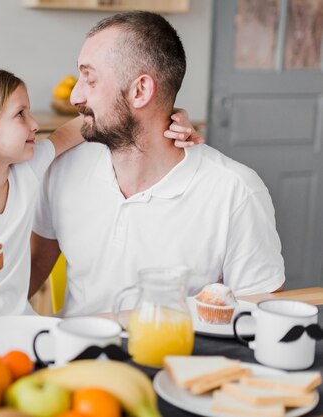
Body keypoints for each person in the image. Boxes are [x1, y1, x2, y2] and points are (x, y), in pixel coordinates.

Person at [30, 12, 285, 317]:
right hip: (76, 354)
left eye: (91, 79)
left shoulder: (236, 191)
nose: (75, 95)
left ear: (140, 91)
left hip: (175, 360)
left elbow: (259, 317)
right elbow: (25, 277)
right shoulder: (61, 168)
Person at [0, 67, 199, 318]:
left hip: (23, 329)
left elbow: (77, 128)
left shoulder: (26, 172)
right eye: (20, 114)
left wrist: (168, 114)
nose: (35, 124)